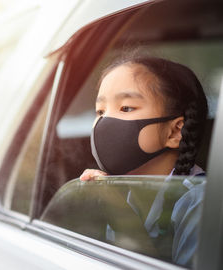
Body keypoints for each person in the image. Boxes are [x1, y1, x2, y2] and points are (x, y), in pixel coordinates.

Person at [80, 55, 208, 266]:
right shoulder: (122, 192)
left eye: (126, 108)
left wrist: (122, 217)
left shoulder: (200, 202)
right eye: (100, 111)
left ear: (175, 132)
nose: (104, 122)